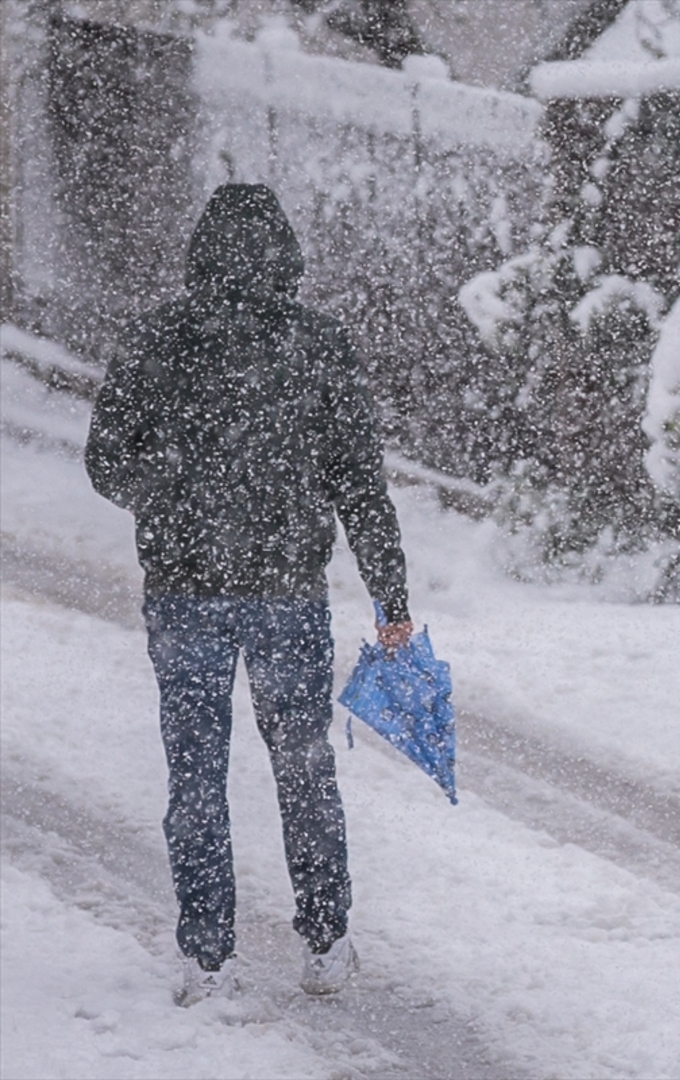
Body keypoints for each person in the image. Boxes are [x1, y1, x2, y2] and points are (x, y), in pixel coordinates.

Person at [86, 184, 413, 1005]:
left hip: (184, 592)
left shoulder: (160, 338)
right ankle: (326, 940)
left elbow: (106, 460)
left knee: (195, 775)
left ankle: (207, 958)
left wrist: (166, 491)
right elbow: (359, 481)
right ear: (286, 256)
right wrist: (391, 598)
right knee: (304, 769)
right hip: (286, 594)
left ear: (200, 254)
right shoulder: (318, 345)